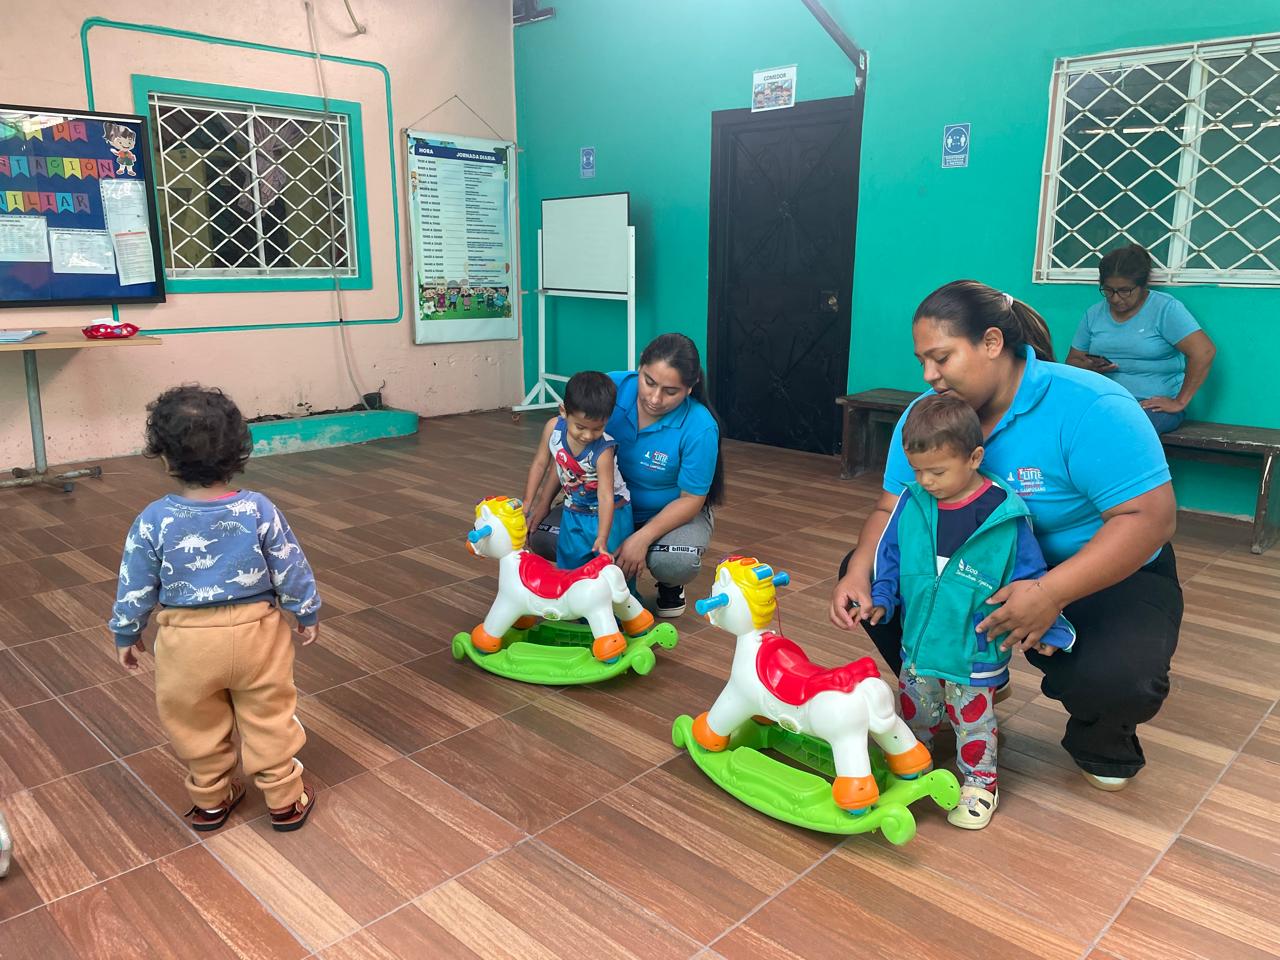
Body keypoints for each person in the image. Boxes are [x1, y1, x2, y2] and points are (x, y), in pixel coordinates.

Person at [830, 280, 1182, 793]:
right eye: (922, 361)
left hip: (1096, 570)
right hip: (974, 571)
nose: (929, 376)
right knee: (872, 578)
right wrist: (860, 571)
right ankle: (962, 678)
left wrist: (1049, 593)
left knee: (1119, 677)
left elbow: (1150, 519)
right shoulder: (930, 415)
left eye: (941, 358)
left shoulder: (1091, 403)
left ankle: (1101, 739)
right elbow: (891, 507)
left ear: (992, 342)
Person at [110, 385, 320, 833]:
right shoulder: (259, 509)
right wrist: (306, 611)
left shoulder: (153, 520)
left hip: (186, 644)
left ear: (164, 459)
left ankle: (211, 799)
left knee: (194, 722)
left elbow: (135, 583)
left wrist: (127, 632)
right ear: (239, 451)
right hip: (258, 636)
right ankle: (284, 799)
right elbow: (290, 565)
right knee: (269, 716)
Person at [869, 393, 1075, 829]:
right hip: (919, 643)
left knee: (974, 723)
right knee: (916, 711)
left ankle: (981, 783)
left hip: (974, 652)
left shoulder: (1004, 515)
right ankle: (911, 766)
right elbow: (890, 554)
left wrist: (1050, 630)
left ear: (974, 458)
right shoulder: (912, 502)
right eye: (917, 470)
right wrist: (883, 595)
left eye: (937, 471)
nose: (925, 481)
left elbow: (1031, 579)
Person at [530, 333, 723, 617]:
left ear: (690, 387)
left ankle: (669, 584)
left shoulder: (700, 426)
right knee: (542, 536)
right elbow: (568, 449)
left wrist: (641, 538)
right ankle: (589, 584)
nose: (655, 398)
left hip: (663, 515)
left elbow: (691, 499)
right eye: (649, 382)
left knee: (675, 561)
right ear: (640, 365)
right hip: (598, 506)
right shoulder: (610, 389)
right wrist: (543, 503)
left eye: (670, 391)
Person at [1066, 242, 1216, 434]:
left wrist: (1179, 402)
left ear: (1142, 285)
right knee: (1062, 424)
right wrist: (1090, 366)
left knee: (1121, 431)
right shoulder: (1094, 314)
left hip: (1150, 406)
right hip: (1104, 401)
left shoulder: (1165, 309)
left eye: (1125, 290)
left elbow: (1204, 352)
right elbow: (1072, 361)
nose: (1115, 298)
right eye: (1108, 290)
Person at [523, 371, 633, 569]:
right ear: (563, 411)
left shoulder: (603, 451)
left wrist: (602, 536)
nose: (588, 435)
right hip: (574, 509)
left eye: (597, 428)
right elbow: (540, 464)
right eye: (580, 427)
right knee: (570, 566)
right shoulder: (553, 429)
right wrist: (528, 502)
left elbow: (605, 496)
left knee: (610, 571)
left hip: (611, 513)